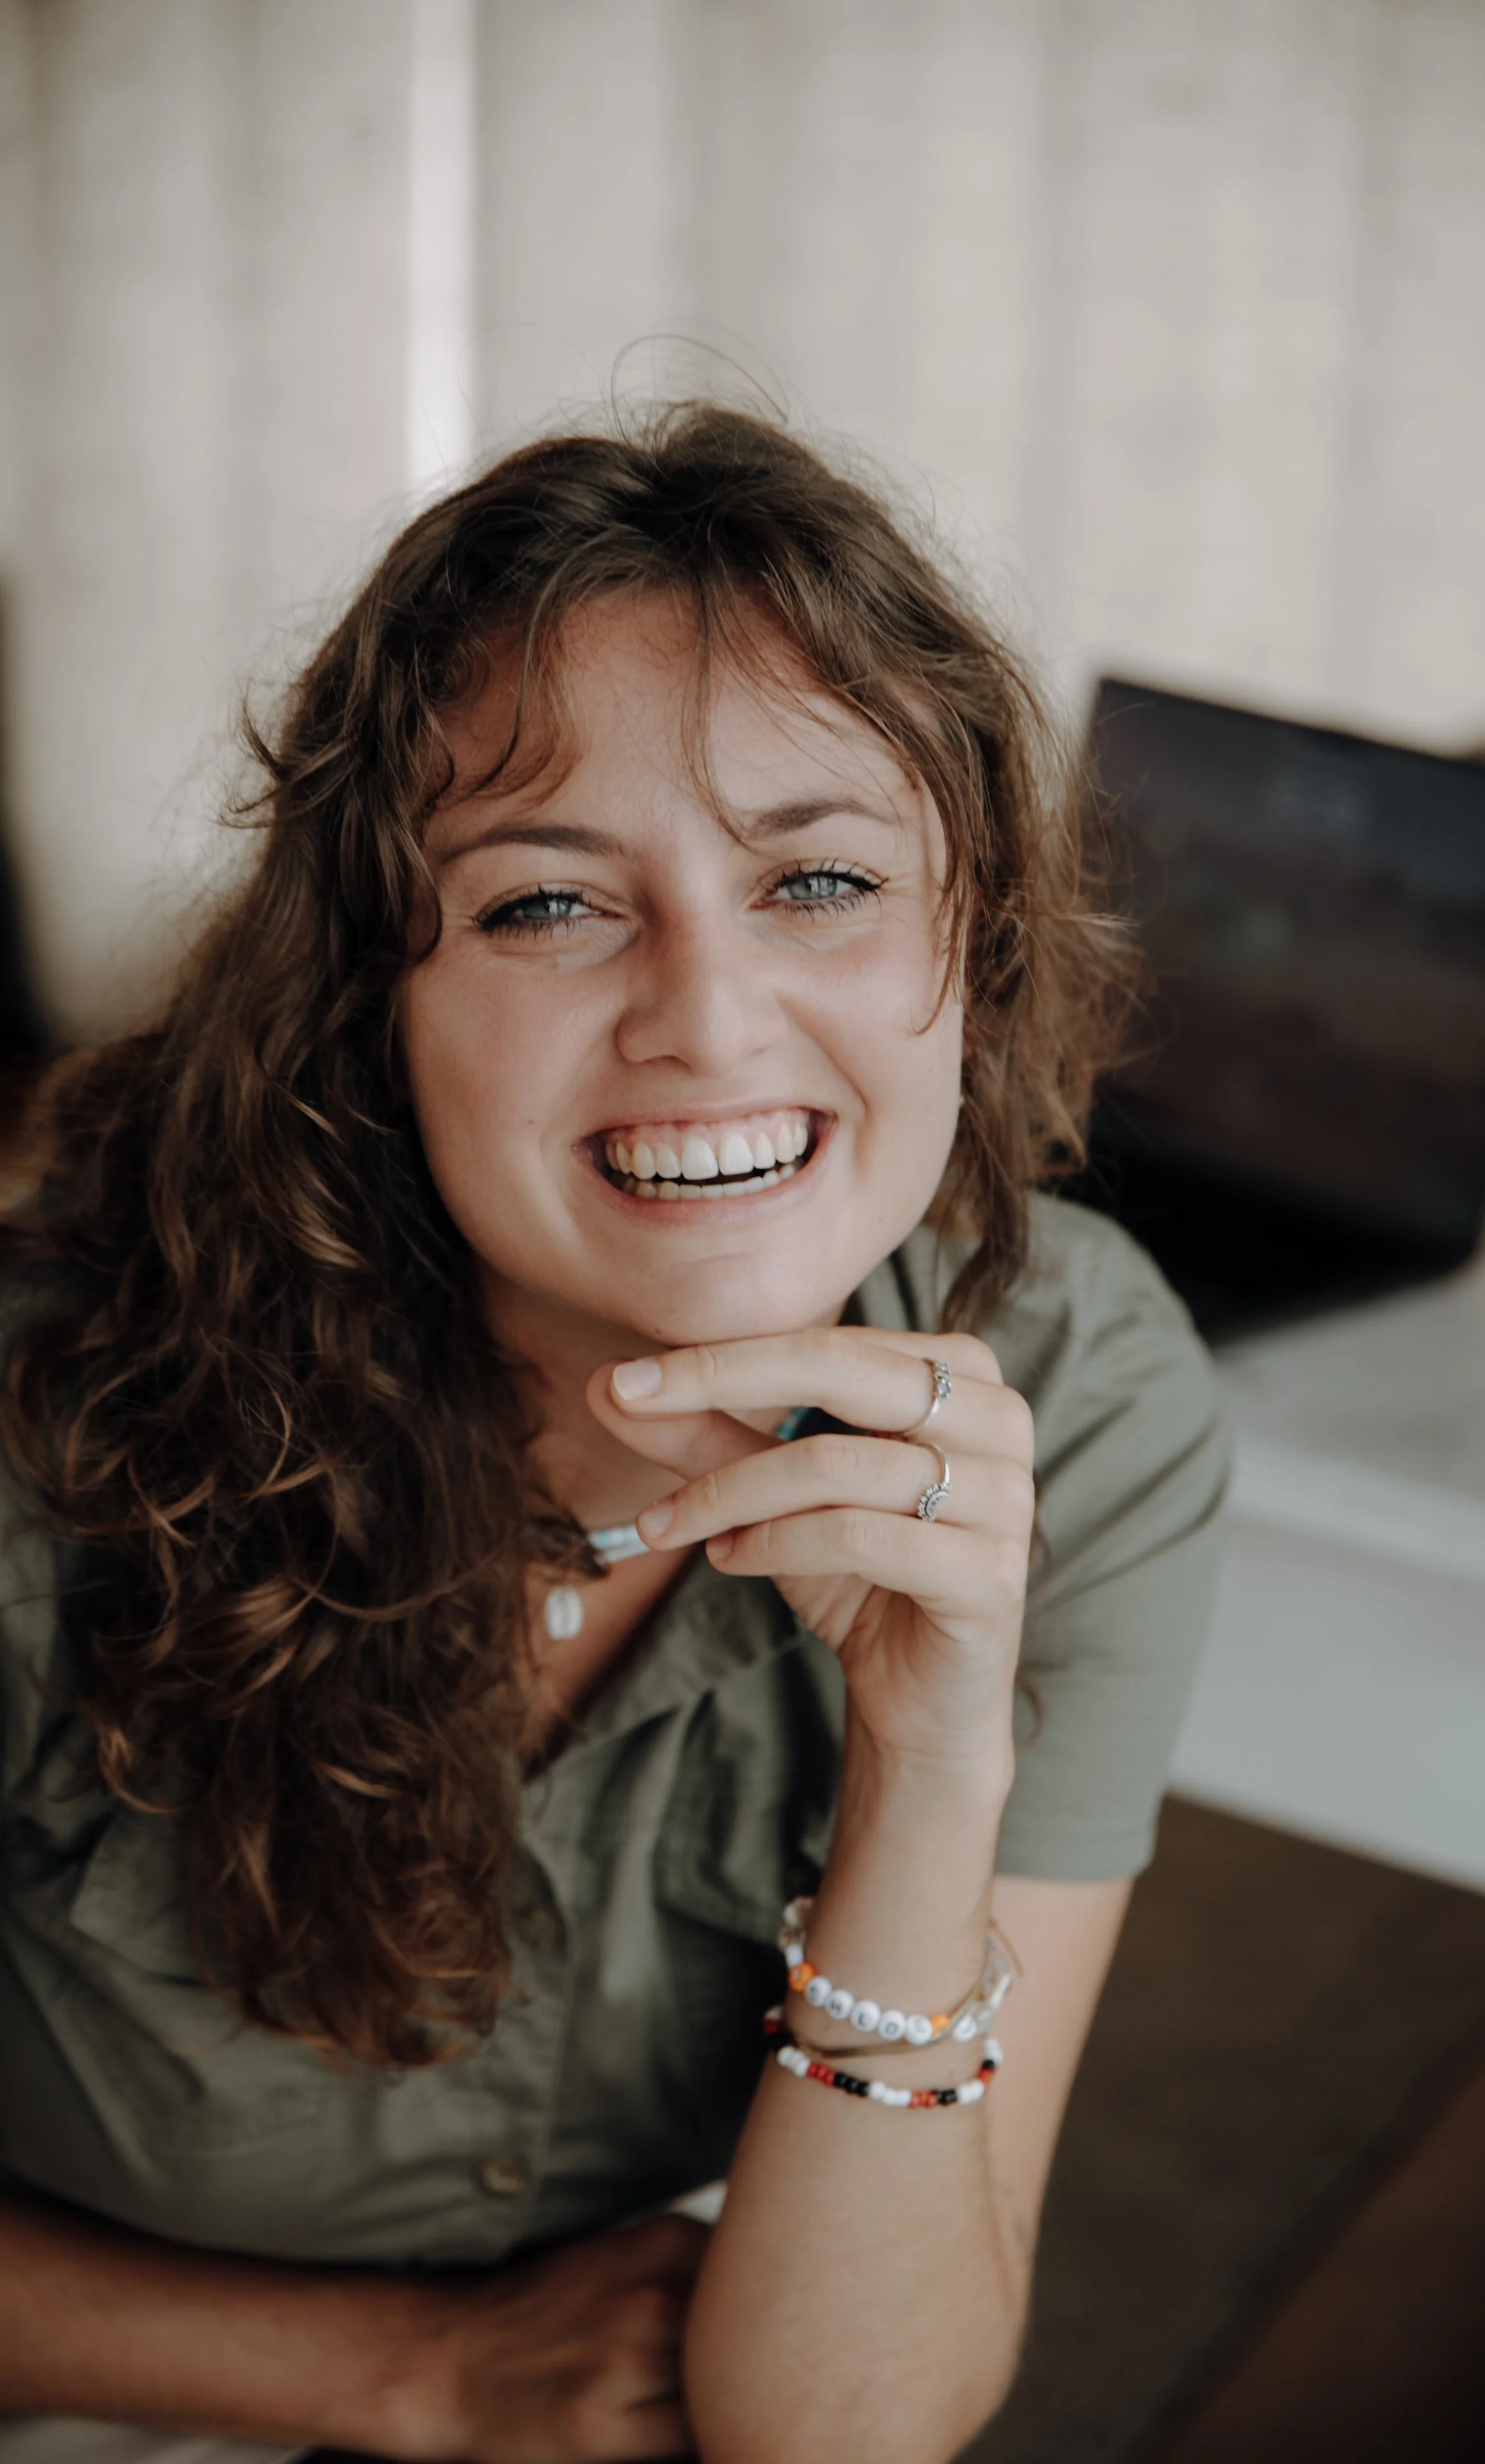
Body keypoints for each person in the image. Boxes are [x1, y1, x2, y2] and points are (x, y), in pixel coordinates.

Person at [0, 403, 1227, 2464]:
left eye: (819, 879)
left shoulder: (1079, 1400)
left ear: (971, 944)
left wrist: (930, 1769)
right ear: (369, 1001)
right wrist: (412, 2378)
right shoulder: (42, 1420)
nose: (709, 1014)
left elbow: (840, 2430)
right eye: (549, 905)